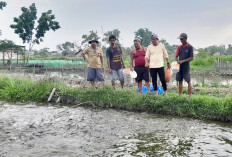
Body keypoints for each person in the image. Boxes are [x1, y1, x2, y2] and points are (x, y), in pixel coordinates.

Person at [175, 33, 194, 99]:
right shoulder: (179, 47)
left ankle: (189, 96)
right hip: (179, 67)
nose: (181, 40)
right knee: (180, 81)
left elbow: (191, 58)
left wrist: (182, 61)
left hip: (186, 67)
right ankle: (180, 95)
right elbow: (176, 56)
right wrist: (176, 60)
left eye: (182, 39)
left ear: (185, 38)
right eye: (180, 39)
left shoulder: (190, 47)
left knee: (188, 81)